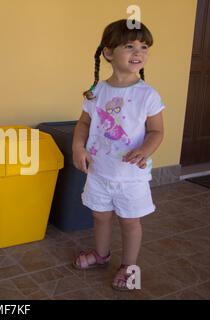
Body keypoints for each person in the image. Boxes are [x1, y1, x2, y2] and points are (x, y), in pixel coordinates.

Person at [72, 19, 165, 291]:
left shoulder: (148, 94)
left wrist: (144, 150)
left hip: (131, 177)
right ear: (109, 53)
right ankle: (101, 255)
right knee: (100, 216)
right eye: (130, 46)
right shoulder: (96, 91)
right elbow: (84, 124)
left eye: (144, 46)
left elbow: (157, 131)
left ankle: (129, 266)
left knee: (129, 221)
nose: (139, 52)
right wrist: (78, 147)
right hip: (99, 171)